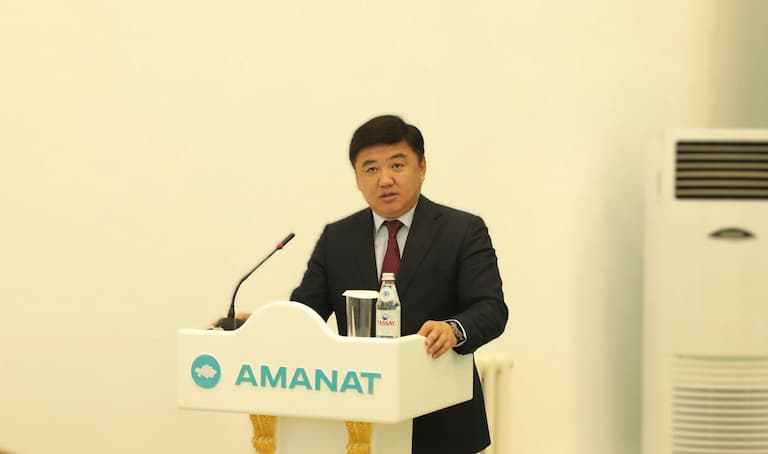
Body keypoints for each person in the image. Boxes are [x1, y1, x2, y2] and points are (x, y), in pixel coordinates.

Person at [290, 114, 508, 454]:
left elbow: (491, 308)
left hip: (443, 419)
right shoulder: (338, 238)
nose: (385, 179)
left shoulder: (462, 231)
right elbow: (305, 312)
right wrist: (262, 326)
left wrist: (453, 329)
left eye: (397, 165)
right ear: (357, 179)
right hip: (361, 421)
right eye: (371, 169)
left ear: (422, 168)